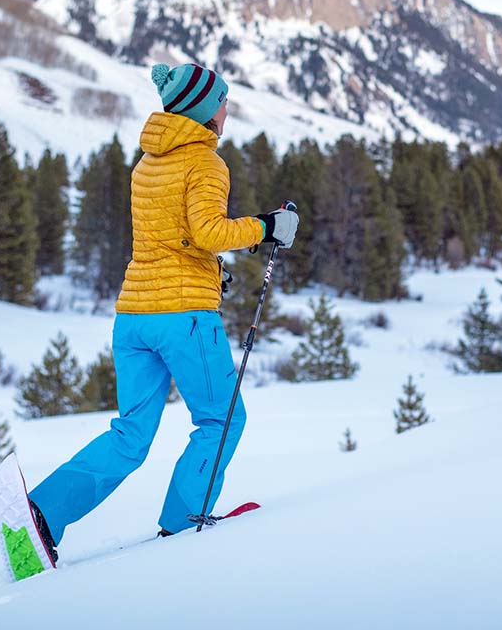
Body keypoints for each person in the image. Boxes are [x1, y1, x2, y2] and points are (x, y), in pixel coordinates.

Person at [26, 62, 299, 560]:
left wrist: (210, 269)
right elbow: (208, 233)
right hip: (184, 318)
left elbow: (171, 240)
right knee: (221, 421)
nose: (226, 110)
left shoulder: (147, 163)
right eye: (222, 101)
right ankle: (181, 527)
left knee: (130, 435)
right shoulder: (205, 163)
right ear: (203, 110)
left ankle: (42, 516)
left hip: (133, 314)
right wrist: (267, 226)